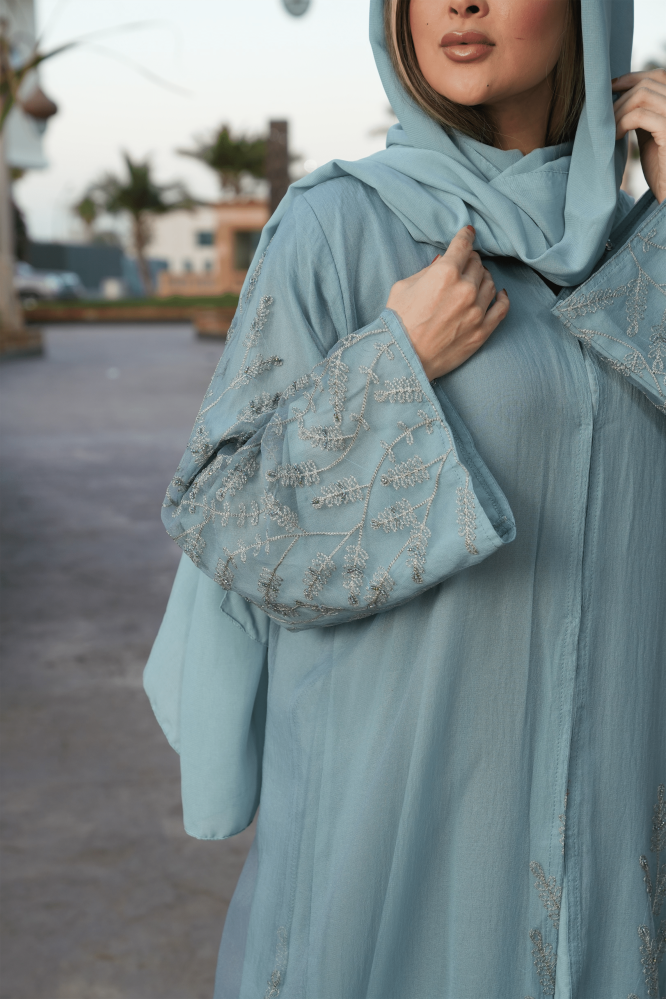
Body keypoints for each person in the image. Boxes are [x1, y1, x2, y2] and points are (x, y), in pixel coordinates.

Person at [144, 1, 666, 995]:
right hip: (396, 824)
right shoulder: (341, 226)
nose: (459, 3)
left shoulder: (648, 244)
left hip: (615, 818)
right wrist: (391, 366)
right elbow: (226, 517)